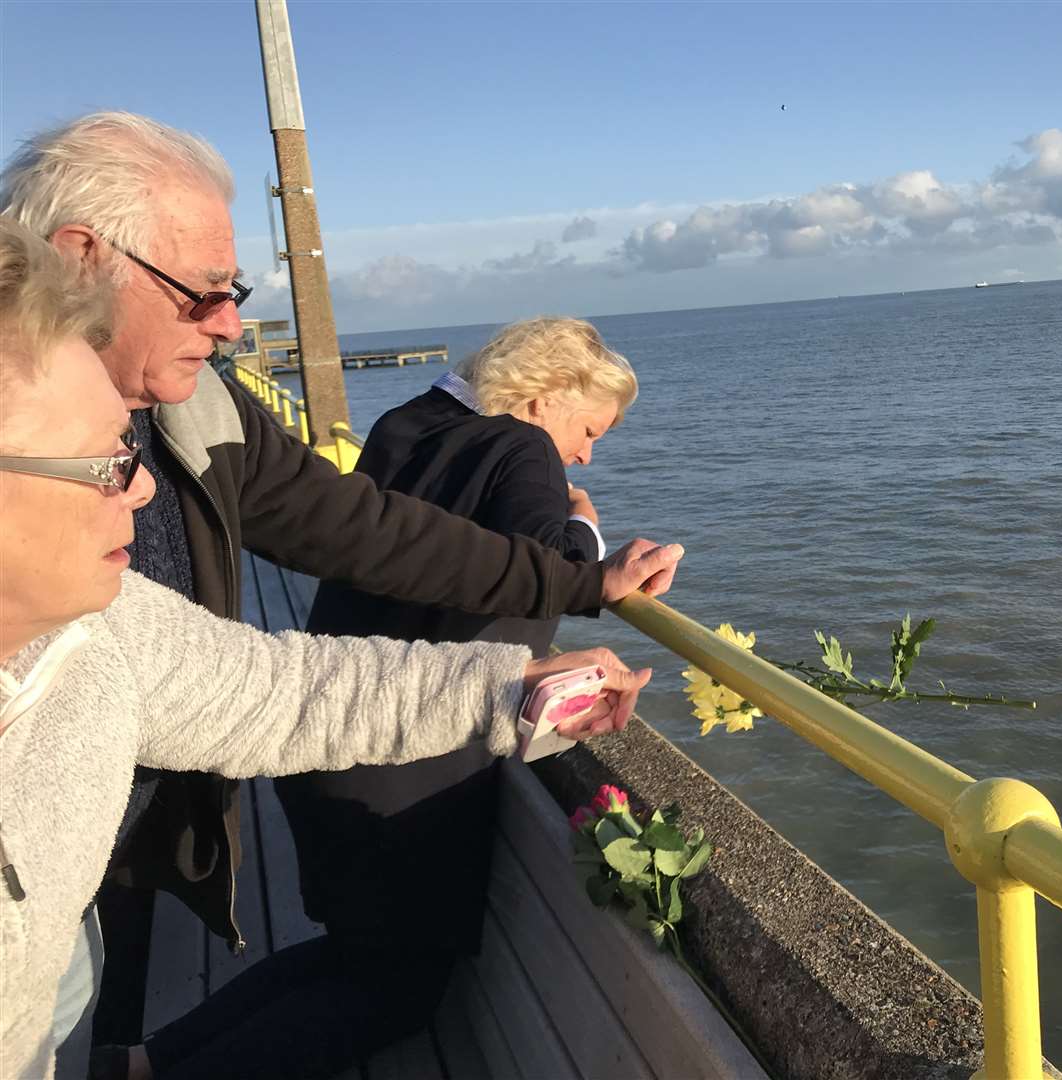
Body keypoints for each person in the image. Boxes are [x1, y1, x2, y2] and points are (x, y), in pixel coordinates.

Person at [0, 110, 683, 1046]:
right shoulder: (518, 451)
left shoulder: (155, 532)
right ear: (82, 259)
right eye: (203, 292)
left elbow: (303, 640)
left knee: (85, 1006)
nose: (234, 324)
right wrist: (578, 558)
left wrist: (532, 649)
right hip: (124, 820)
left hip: (132, 819)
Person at [120, 319, 641, 1078]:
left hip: (333, 729)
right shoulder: (522, 446)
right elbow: (543, 559)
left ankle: (141, 1061)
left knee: (352, 957)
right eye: (589, 429)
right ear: (544, 395)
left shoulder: (407, 422)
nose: (587, 453)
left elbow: (393, 540)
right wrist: (585, 533)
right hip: (412, 763)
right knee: (393, 992)